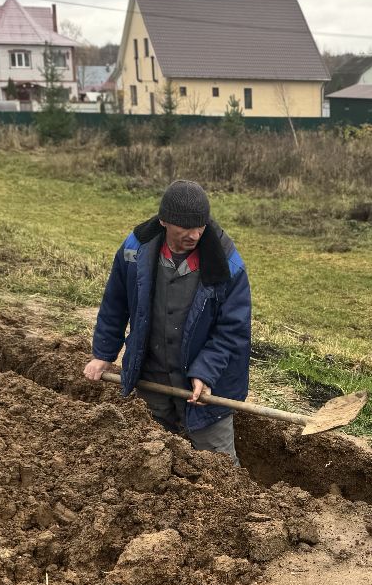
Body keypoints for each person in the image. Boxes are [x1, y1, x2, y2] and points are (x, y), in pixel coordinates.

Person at [83, 180, 250, 463]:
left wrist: (205, 372)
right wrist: (103, 353)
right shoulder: (135, 250)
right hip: (153, 376)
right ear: (164, 221)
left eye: (200, 226)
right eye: (185, 227)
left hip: (207, 388)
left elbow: (233, 329)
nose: (195, 235)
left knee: (219, 467)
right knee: (154, 454)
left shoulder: (227, 264)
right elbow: (115, 302)